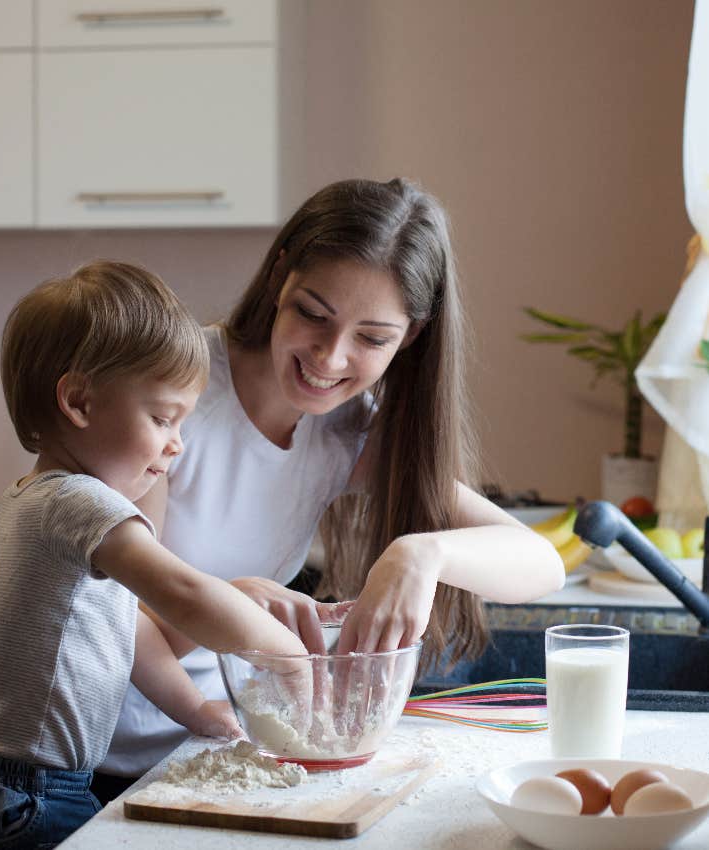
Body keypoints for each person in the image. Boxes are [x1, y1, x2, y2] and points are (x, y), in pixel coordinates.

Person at [91, 178, 565, 803]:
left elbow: (541, 564)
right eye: (313, 314)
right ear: (277, 279)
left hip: (213, 749)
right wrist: (236, 609)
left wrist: (423, 554)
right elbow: (114, 620)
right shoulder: (176, 394)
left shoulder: (348, 430)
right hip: (104, 757)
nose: (330, 357)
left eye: (372, 338)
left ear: (412, 336)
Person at [0, 261, 310, 850]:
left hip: (18, 788)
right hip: (25, 796)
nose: (176, 443)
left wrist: (197, 713)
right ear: (79, 401)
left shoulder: (42, 502)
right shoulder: (77, 503)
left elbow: (127, 633)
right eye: (162, 417)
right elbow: (182, 594)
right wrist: (288, 654)